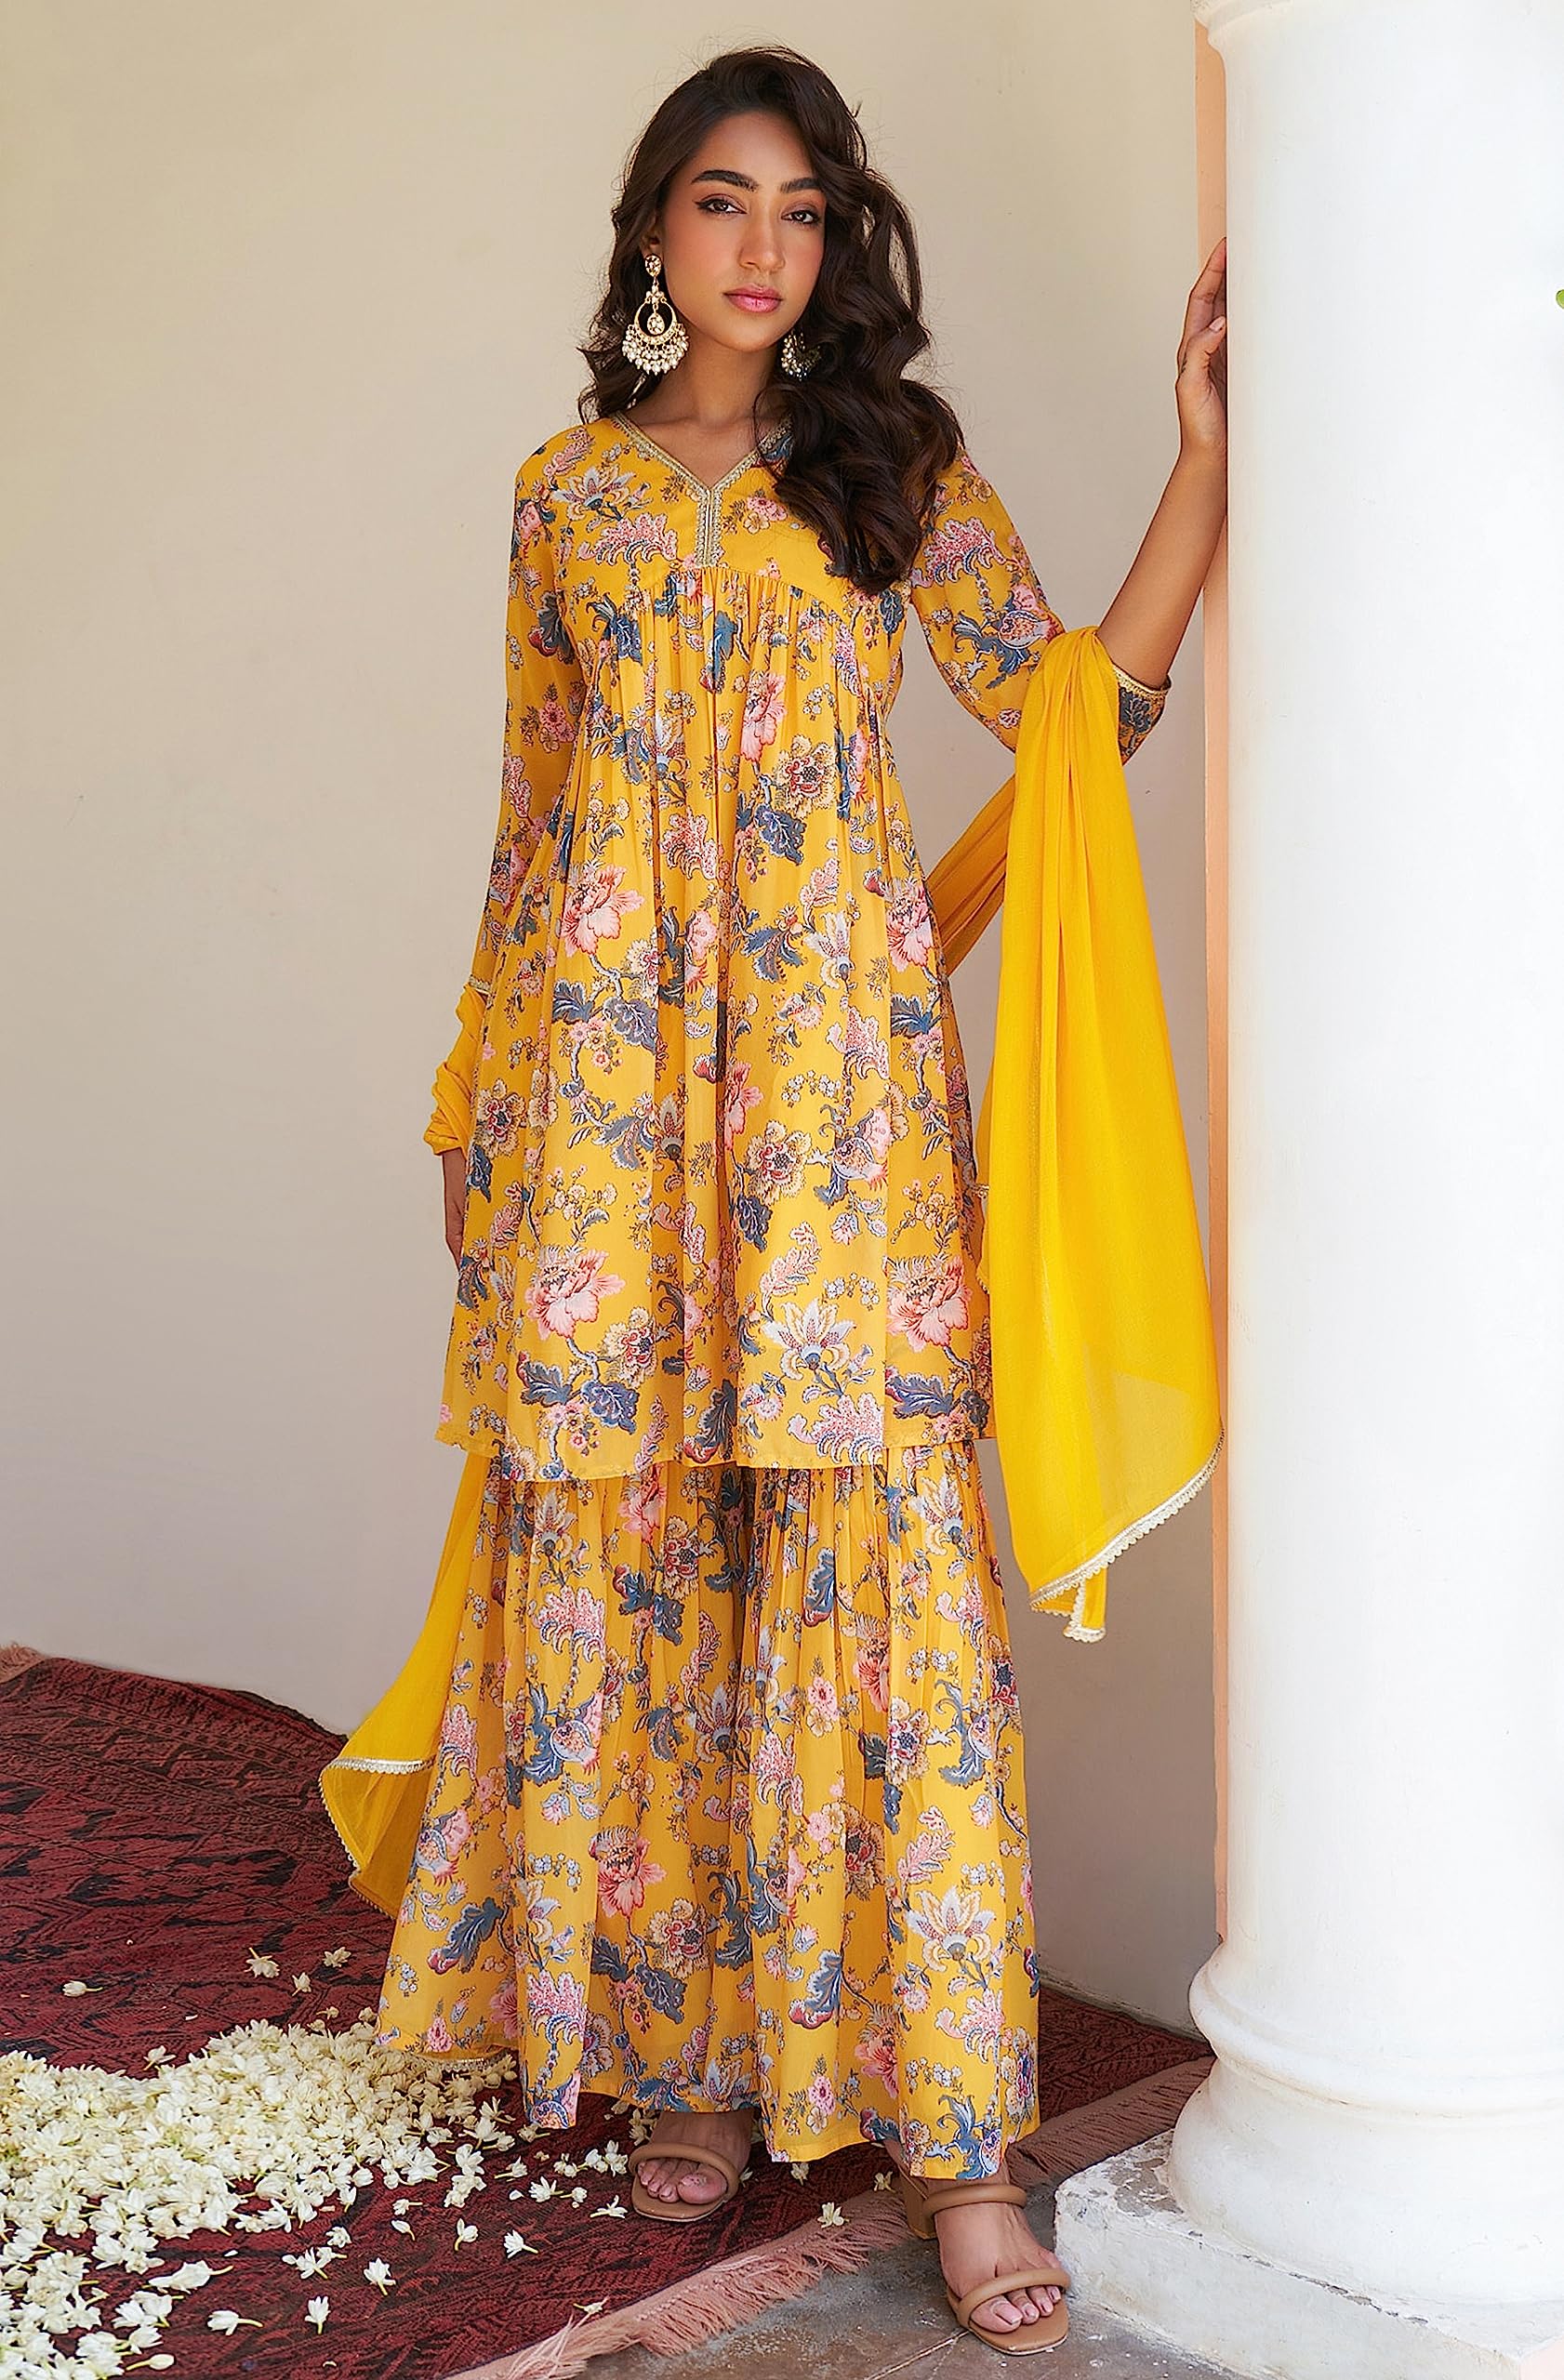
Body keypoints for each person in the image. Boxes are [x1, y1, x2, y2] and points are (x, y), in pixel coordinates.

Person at [322, 42, 1227, 2357]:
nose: (761, 245)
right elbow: (531, 824)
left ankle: (957, 2144)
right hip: (604, 1112)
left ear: (836, 245)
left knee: (876, 1583)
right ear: (654, 229)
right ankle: (697, 2061)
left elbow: (1077, 711)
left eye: (802, 209)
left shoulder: (890, 470)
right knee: (649, 1561)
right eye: (722, 201)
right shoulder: (566, 498)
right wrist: (472, 1105)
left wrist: (1202, 472)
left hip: (833, 1115)